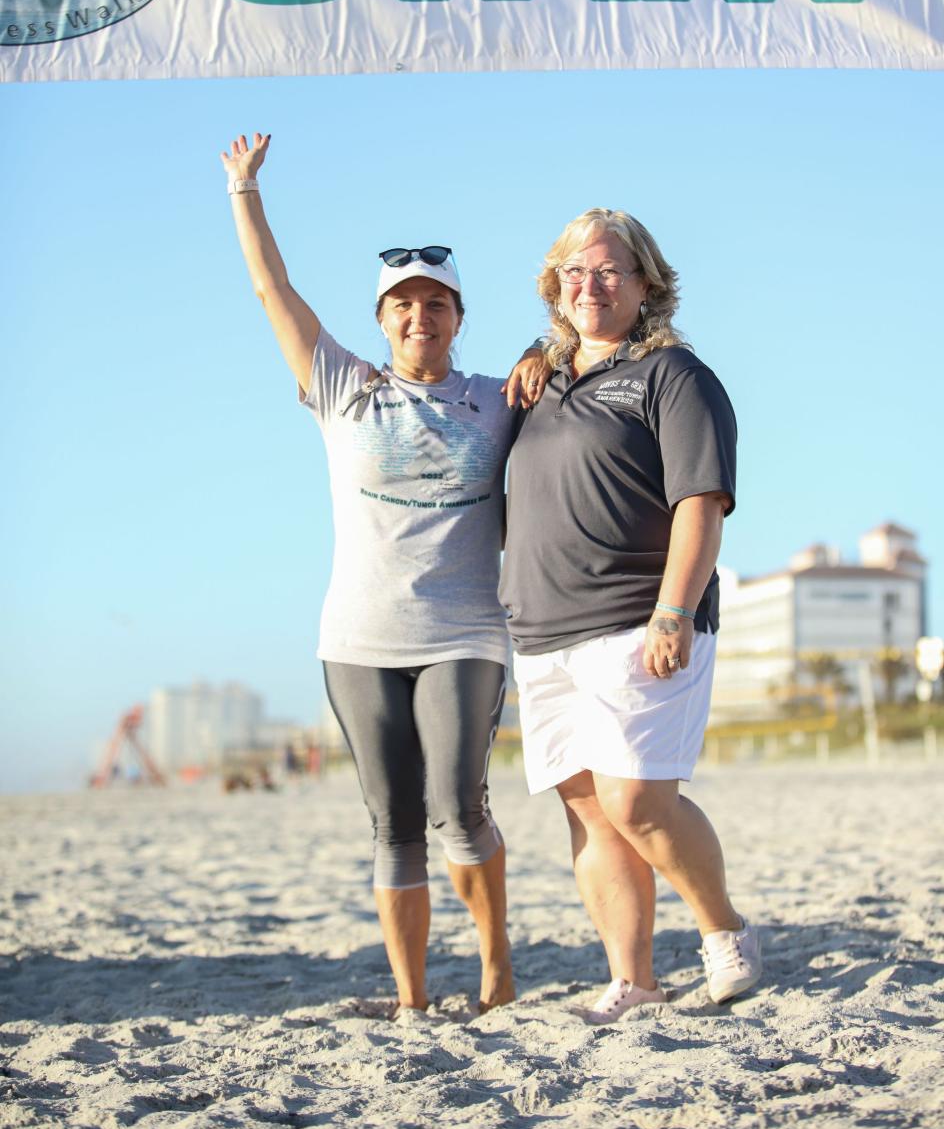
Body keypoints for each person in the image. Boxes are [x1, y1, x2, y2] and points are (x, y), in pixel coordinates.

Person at [220, 131, 546, 1013]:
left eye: (435, 305)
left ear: (457, 316)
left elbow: (572, 377)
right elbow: (271, 292)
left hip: (465, 633)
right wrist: (244, 191)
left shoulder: (495, 398)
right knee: (393, 820)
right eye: (402, 306)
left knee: (457, 802)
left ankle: (494, 960)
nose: (418, 319)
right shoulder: (343, 388)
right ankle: (410, 998)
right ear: (381, 321)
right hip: (358, 639)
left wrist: (543, 351)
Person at [499, 207, 762, 1022]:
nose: (592, 285)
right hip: (543, 629)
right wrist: (535, 357)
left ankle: (725, 933)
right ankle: (633, 979)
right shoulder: (539, 383)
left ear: (647, 282)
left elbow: (701, 503)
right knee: (587, 807)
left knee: (637, 802)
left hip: (635, 616)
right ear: (555, 286)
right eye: (575, 271)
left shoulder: (673, 376)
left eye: (611, 270)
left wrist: (674, 610)